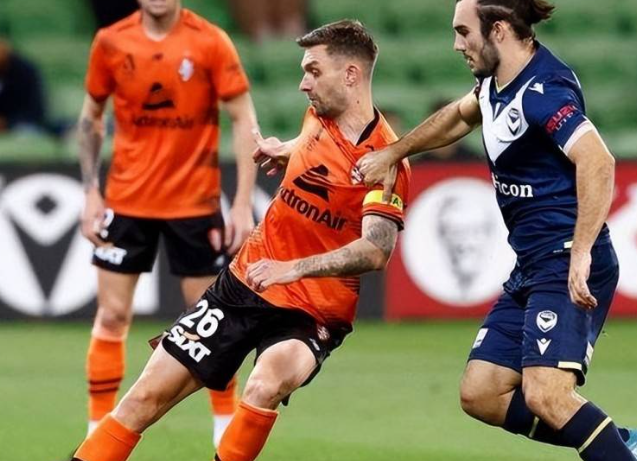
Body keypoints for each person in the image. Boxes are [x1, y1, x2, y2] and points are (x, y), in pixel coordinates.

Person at [70, 19, 410, 461]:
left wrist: (293, 269)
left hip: (312, 310)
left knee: (265, 383)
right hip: (242, 286)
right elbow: (319, 143)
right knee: (142, 399)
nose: (303, 84)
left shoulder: (386, 162)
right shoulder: (318, 117)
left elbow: (375, 250)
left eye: (313, 71)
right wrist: (287, 149)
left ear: (351, 75)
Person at [357, 0, 637, 459]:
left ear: (499, 30)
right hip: (532, 265)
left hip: (565, 259)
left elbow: (598, 161)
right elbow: (458, 116)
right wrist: (395, 152)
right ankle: (618, 443)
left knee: (547, 394)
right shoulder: (494, 84)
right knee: (482, 392)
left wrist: (582, 251)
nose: (456, 44)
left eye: (463, 31)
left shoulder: (544, 90)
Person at [77, 0, 258, 447]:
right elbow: (91, 118)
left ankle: (223, 428)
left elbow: (243, 118)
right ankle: (97, 431)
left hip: (194, 202)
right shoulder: (111, 41)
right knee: (112, 315)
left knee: (211, 322)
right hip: (126, 199)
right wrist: (90, 191)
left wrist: (240, 203)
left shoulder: (210, 41)